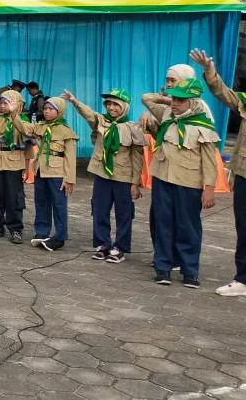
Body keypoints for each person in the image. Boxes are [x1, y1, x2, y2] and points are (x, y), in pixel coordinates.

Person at [144, 78, 219, 288]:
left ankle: (189, 271)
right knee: (162, 223)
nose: (175, 103)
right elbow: (146, 98)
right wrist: (168, 100)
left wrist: (210, 189)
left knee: (188, 227)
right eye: (174, 98)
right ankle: (163, 268)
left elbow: (210, 161)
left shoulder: (202, 124)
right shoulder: (167, 114)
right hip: (162, 180)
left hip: (189, 184)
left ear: (193, 102)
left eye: (180, 100)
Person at [65, 87, 145, 263]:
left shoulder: (132, 128)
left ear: (124, 107)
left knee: (124, 214)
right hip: (102, 174)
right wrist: (75, 102)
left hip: (123, 177)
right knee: (99, 210)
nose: (111, 108)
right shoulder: (101, 122)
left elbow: (137, 157)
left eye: (116, 104)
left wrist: (135, 182)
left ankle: (120, 248)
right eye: (108, 104)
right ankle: (102, 244)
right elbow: (89, 115)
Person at [190, 48, 246, 295]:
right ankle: (243, 279)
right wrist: (209, 70)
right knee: (244, 226)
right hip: (245, 172)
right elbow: (223, 93)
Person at [14, 96, 78, 251]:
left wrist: (69, 179)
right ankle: (42, 232)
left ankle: (60, 236)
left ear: (60, 111)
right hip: (41, 170)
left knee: (59, 204)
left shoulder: (66, 132)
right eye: (45, 109)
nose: (47, 112)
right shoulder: (40, 126)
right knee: (41, 202)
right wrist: (13, 114)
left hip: (57, 173)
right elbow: (24, 128)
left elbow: (70, 158)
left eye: (51, 109)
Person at [0, 89, 27, 244]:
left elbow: (26, 138)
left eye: (7, 102)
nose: (2, 106)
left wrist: (29, 168)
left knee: (14, 197)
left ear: (18, 105)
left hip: (14, 162)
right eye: (1, 102)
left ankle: (16, 229)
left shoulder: (23, 120)